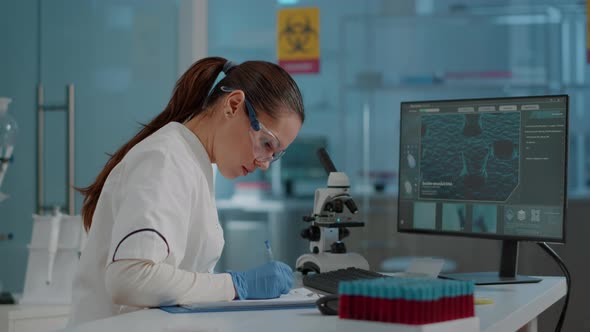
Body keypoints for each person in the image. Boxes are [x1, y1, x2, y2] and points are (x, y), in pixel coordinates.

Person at [67, 57, 305, 326]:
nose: (264, 163)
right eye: (266, 143)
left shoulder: (193, 161)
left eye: (275, 154)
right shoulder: (165, 157)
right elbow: (129, 278)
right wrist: (236, 286)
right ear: (234, 105)